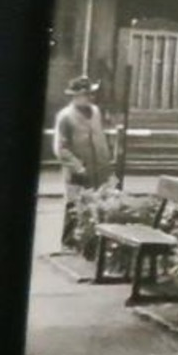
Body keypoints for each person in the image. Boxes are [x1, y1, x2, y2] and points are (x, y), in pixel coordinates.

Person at [54, 75, 115, 246]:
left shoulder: (95, 111)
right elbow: (61, 148)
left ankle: (89, 245)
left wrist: (107, 163)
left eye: (91, 94)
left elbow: (100, 138)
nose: (91, 97)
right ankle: (68, 245)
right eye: (87, 94)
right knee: (75, 207)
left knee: (96, 208)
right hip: (78, 172)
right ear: (76, 96)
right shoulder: (65, 117)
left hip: (99, 169)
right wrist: (78, 167)